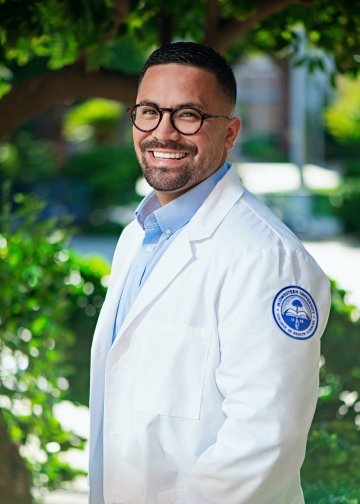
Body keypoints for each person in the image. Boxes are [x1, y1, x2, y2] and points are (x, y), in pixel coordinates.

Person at [88, 42, 331, 504]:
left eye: (189, 115)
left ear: (231, 132)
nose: (164, 132)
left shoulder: (268, 260)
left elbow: (263, 444)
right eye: (149, 112)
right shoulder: (137, 237)